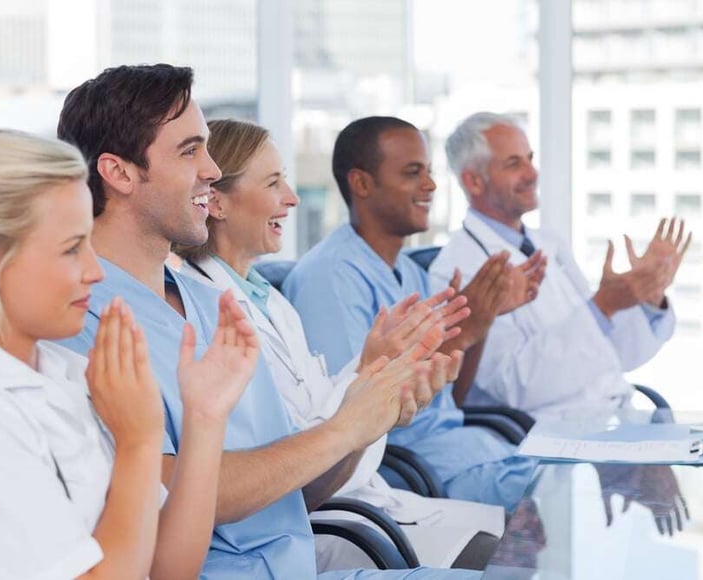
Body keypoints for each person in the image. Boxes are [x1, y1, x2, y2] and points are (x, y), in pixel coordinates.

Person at [57, 64, 476, 579]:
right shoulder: (80, 321)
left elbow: (294, 491)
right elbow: (168, 496)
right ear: (119, 172)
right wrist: (344, 426)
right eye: (190, 151)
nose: (211, 170)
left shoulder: (216, 305)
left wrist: (369, 418)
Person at [0, 129, 254, 580]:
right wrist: (140, 443)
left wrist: (204, 418)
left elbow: (168, 569)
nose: (94, 271)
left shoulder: (70, 374)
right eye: (71, 249)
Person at [175, 118, 507, 570]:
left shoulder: (268, 299)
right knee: (510, 552)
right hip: (321, 523)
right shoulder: (204, 312)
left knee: (523, 542)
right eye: (274, 183)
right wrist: (372, 376)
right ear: (215, 201)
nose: (292, 198)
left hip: (361, 503)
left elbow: (321, 423)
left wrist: (377, 372)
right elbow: (296, 453)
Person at [283, 116, 540, 509]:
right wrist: (464, 330)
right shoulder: (331, 278)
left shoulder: (411, 272)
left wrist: (480, 324)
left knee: (582, 482)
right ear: (362, 183)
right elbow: (351, 410)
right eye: (412, 173)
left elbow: (451, 395)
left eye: (430, 172)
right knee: (568, 504)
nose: (432, 186)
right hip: (416, 470)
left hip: (473, 450)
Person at [430, 112, 691, 417]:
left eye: (530, 159)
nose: (532, 173)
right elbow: (514, 385)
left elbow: (613, 353)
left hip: (613, 417)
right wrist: (603, 307)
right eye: (514, 164)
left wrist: (646, 298)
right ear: (473, 181)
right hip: (550, 435)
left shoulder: (548, 244)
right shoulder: (456, 269)